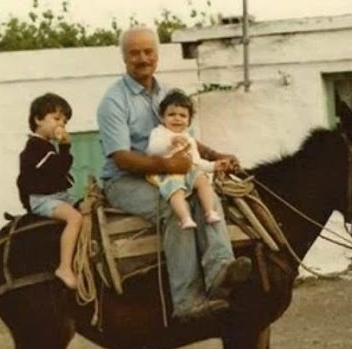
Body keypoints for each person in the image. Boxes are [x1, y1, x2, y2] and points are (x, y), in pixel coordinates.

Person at [97, 27, 251, 322]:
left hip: (171, 171)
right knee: (172, 206)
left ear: (157, 54)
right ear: (123, 57)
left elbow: (185, 137)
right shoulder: (113, 101)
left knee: (205, 189)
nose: (143, 58)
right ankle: (186, 300)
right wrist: (168, 167)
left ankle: (220, 268)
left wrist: (216, 156)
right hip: (125, 180)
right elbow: (121, 157)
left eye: (148, 51)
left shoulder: (167, 93)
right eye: (134, 53)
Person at [17, 92, 83, 289]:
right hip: (43, 200)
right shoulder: (35, 148)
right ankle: (64, 267)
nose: (61, 125)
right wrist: (65, 147)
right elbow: (57, 168)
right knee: (75, 218)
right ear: (38, 119)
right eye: (56, 119)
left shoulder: (47, 147)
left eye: (64, 121)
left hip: (57, 197)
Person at [146, 89, 230, 229]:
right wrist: (169, 143)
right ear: (162, 118)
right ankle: (185, 218)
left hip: (188, 171)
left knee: (203, 181)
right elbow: (152, 150)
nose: (177, 118)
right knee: (175, 191)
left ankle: (209, 211)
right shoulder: (159, 133)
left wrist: (213, 166)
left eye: (183, 116)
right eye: (171, 114)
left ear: (189, 121)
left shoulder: (189, 139)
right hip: (168, 171)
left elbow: (196, 161)